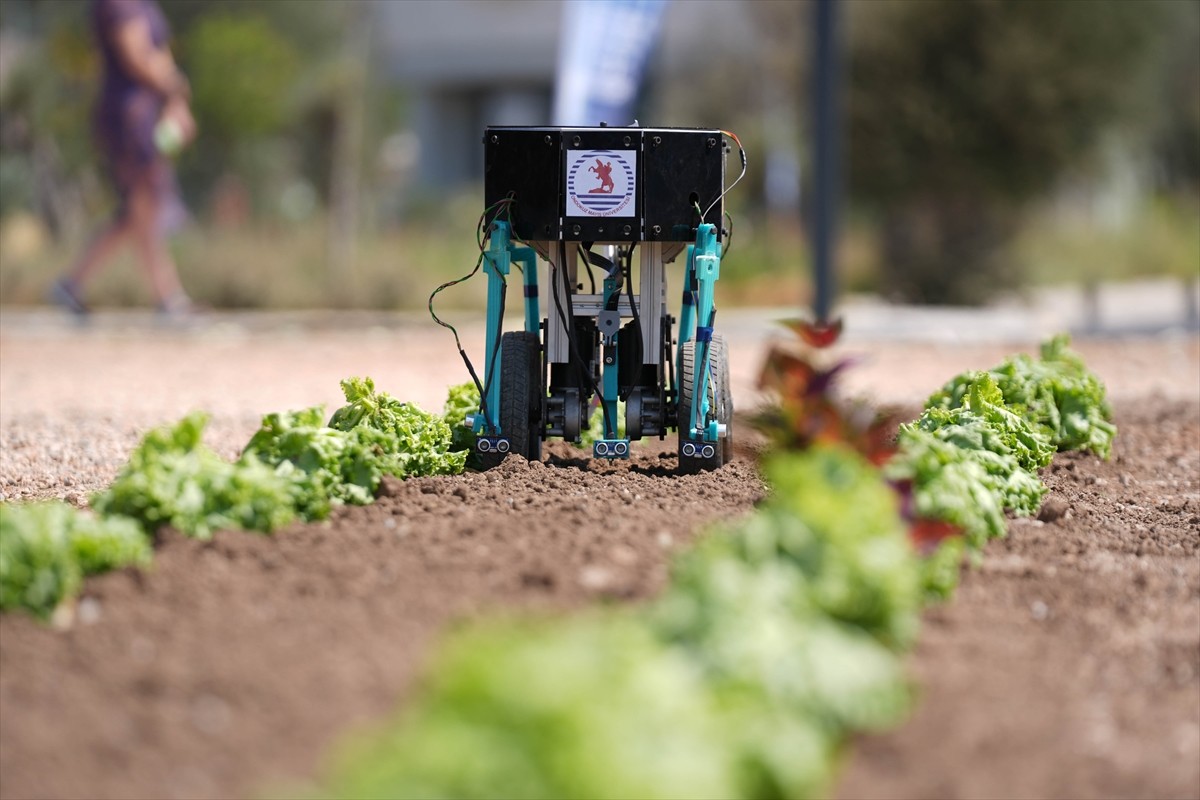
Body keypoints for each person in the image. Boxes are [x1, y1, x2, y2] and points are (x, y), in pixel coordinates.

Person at [50, 0, 197, 317]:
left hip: (145, 114)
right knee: (146, 202)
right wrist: (176, 91)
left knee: (140, 208)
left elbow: (159, 55)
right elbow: (137, 57)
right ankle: (167, 297)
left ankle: (73, 283)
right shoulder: (121, 4)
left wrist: (176, 104)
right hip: (129, 117)